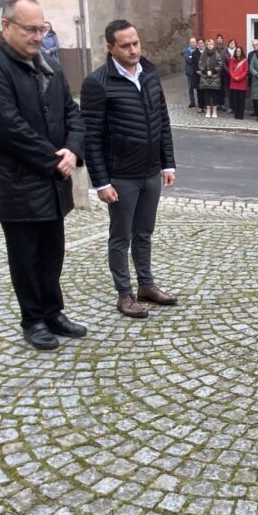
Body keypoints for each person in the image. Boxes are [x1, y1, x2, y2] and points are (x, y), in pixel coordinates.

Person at [0, 0, 86, 350]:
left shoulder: (48, 63)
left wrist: (74, 151)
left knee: (53, 253)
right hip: (17, 184)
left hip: (52, 182)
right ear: (6, 26)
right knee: (26, 258)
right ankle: (32, 319)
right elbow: (8, 128)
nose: (37, 36)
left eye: (42, 28)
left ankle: (53, 312)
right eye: (30, 29)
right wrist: (56, 160)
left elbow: (72, 112)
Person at [81, 19, 178, 319]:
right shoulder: (97, 83)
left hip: (151, 172)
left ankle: (146, 286)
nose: (133, 49)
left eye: (136, 42)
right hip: (121, 176)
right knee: (120, 237)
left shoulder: (149, 72)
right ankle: (124, 294)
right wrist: (101, 183)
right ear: (110, 47)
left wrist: (168, 162)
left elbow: (162, 120)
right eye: (125, 45)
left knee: (144, 233)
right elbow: (91, 137)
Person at [197, 37, 223, 118]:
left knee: (214, 95)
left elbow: (220, 65)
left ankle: (214, 111)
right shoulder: (203, 54)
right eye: (208, 44)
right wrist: (205, 71)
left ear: (213, 45)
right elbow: (200, 64)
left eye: (211, 44)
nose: (210, 45)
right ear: (206, 45)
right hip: (205, 77)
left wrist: (212, 71)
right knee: (207, 95)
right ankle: (208, 110)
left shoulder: (217, 54)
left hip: (215, 77)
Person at [227, 46, 248, 121]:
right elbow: (231, 69)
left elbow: (245, 71)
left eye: (239, 51)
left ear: (241, 52)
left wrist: (239, 77)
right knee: (235, 100)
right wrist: (234, 77)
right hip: (234, 83)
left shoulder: (245, 60)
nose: (238, 52)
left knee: (241, 100)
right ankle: (236, 114)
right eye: (237, 51)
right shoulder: (232, 60)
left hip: (242, 83)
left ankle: (241, 115)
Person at [183, 37, 198, 109]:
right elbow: (187, 60)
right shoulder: (187, 51)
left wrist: (192, 57)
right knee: (190, 88)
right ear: (190, 43)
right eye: (191, 42)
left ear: (196, 43)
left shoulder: (198, 50)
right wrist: (193, 59)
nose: (193, 44)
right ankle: (192, 102)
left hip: (197, 72)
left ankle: (200, 102)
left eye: (194, 42)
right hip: (190, 72)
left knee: (199, 88)